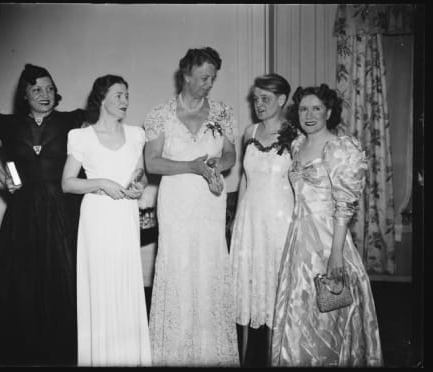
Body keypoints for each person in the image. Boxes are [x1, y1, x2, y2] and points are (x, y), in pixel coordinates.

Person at [269, 84, 383, 366]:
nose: (309, 115)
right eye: (304, 108)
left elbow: (344, 206)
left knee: (330, 314)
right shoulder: (297, 144)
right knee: (299, 311)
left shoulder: (342, 148)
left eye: (316, 108)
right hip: (298, 241)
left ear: (328, 112)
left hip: (330, 239)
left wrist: (336, 255)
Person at [0, 64, 84, 365]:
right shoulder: (9, 126)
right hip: (24, 211)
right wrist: (5, 180)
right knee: (23, 276)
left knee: (64, 274)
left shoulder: (70, 122)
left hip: (64, 209)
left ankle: (65, 347)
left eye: (50, 88)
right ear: (24, 94)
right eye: (36, 88)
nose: (45, 94)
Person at [144, 47, 239, 366]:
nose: (209, 83)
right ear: (186, 75)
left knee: (209, 266)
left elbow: (230, 155)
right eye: (203, 77)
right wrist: (192, 167)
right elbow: (153, 164)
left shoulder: (223, 112)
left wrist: (217, 163)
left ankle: (210, 353)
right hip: (176, 203)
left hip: (210, 201)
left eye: (213, 78)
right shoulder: (160, 114)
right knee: (179, 267)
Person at [62, 74, 151, 367]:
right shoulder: (80, 137)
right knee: (100, 285)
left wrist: (138, 184)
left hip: (125, 213)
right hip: (96, 216)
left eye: (127, 95)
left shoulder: (137, 134)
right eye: (118, 95)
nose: (125, 101)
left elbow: (140, 172)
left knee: (125, 280)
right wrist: (100, 182)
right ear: (102, 98)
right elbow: (68, 183)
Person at [229, 73, 297, 365]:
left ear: (282, 100)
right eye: (256, 98)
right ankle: (243, 357)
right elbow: (245, 179)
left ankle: (276, 357)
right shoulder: (249, 132)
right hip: (250, 218)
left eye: (265, 98)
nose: (258, 104)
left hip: (281, 218)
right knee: (247, 283)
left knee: (275, 287)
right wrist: (237, 218)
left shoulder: (296, 135)